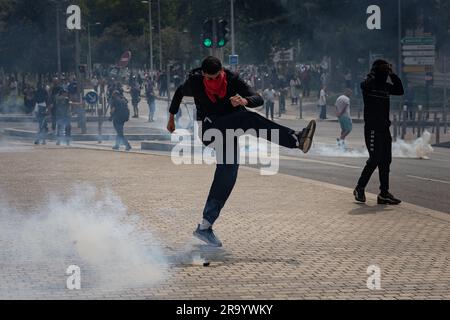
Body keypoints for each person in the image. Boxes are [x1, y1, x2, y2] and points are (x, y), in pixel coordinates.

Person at [167, 56, 317, 247]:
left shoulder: (232, 79)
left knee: (227, 175)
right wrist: (171, 118)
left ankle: (205, 226)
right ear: (204, 75)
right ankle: (296, 139)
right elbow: (179, 92)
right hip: (210, 130)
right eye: (210, 79)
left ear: (222, 71)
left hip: (229, 130)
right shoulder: (195, 81)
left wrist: (244, 99)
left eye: (217, 78)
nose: (214, 83)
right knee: (248, 119)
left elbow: (258, 98)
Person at [354, 60, 404, 205]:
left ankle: (384, 193)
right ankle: (359, 188)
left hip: (384, 129)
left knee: (386, 161)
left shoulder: (386, 87)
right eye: (383, 70)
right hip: (372, 129)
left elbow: (400, 90)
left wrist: (392, 73)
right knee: (374, 159)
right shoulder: (369, 86)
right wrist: (374, 72)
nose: (385, 72)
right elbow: (364, 84)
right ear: (376, 71)